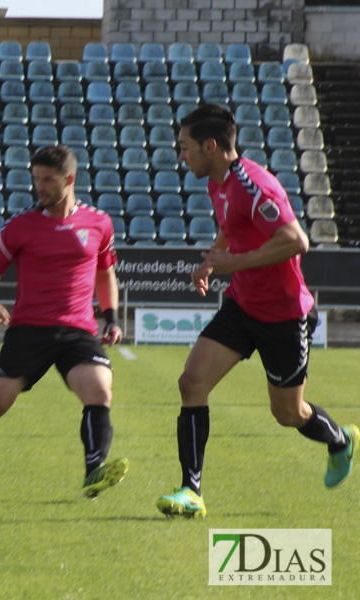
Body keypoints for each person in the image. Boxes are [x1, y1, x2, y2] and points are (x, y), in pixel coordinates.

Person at [155, 104, 357, 518]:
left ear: (211, 146)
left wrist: (232, 264)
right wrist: (214, 260)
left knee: (288, 413)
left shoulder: (254, 185)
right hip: (243, 305)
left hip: (284, 314)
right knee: (192, 382)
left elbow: (296, 240)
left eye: (185, 147)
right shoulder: (217, 183)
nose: (182, 156)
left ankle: (341, 440)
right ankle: (190, 491)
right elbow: (231, 227)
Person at [0, 145, 129, 501]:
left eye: (48, 180)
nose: (39, 186)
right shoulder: (21, 224)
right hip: (29, 329)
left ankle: (93, 472)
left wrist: (112, 318)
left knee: (99, 390)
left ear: (69, 180)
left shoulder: (99, 222)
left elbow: (106, 274)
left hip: (77, 330)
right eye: (36, 179)